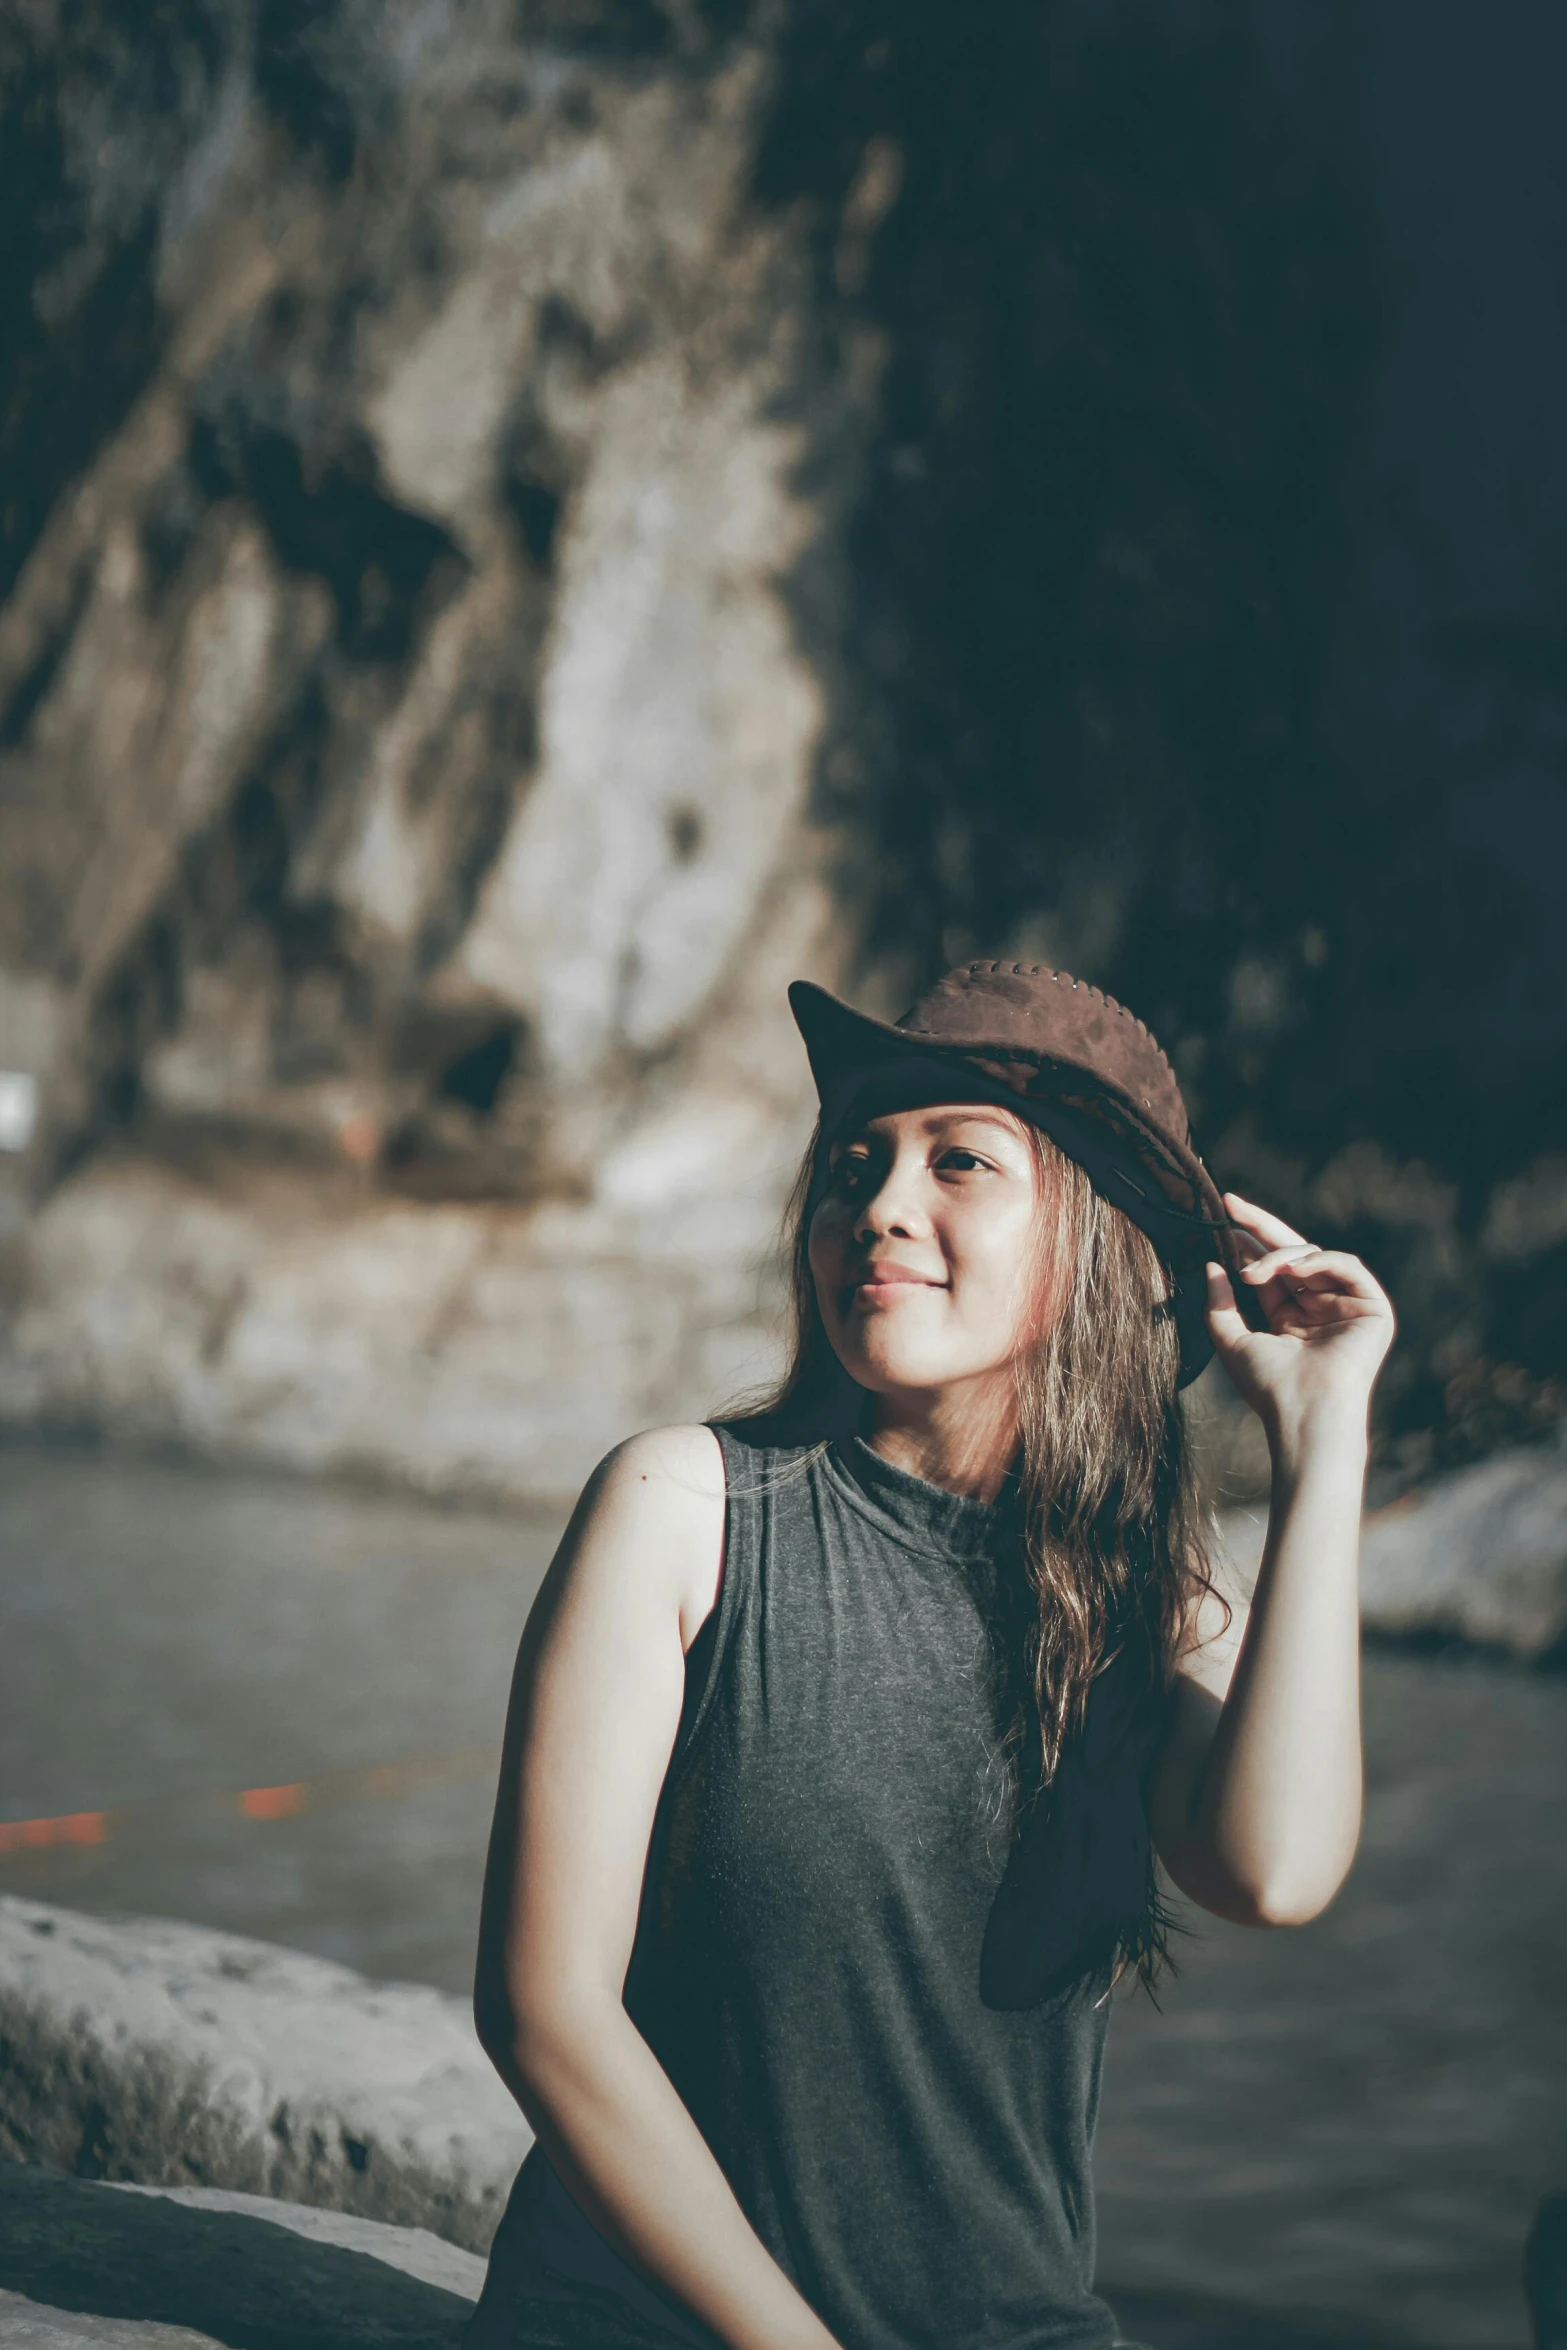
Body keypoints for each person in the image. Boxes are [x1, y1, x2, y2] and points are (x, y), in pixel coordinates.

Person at [469, 960, 1395, 2350]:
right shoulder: (684, 1511)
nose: (878, 1206)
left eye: (956, 1159)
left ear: (1101, 1245)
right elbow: (546, 2007)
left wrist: (1322, 1446)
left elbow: (1274, 1870)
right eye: (851, 1167)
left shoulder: (1150, 1604)